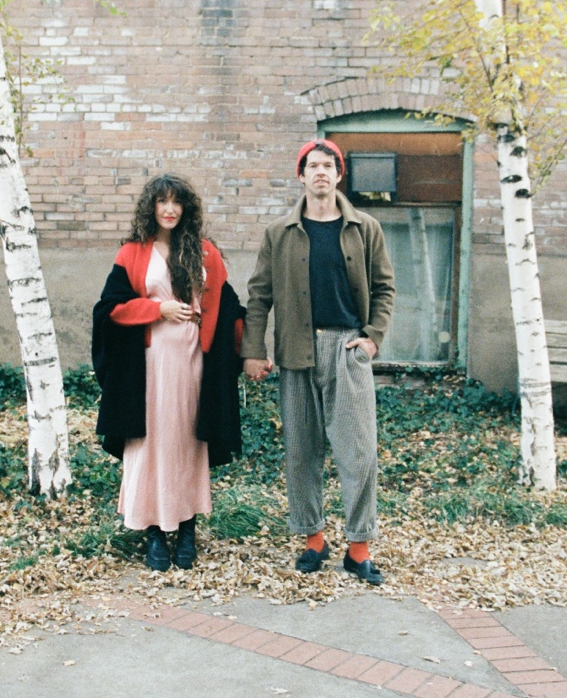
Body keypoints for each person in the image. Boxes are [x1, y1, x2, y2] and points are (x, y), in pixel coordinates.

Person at [242, 139, 395, 585]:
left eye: (329, 166)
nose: (321, 173)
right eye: (313, 166)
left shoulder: (365, 228)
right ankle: (313, 540)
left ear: (339, 174)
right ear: (301, 175)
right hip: (296, 352)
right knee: (302, 453)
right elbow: (259, 296)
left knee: (359, 452)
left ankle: (359, 547)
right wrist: (254, 350)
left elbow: (385, 289)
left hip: (348, 350)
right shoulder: (279, 233)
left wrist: (372, 339)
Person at [92, 173, 244, 572]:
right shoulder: (132, 253)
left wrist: (249, 353)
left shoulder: (207, 253)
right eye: (162, 202)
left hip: (194, 360)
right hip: (150, 364)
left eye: (177, 202)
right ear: (152, 207)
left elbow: (228, 308)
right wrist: (156, 309)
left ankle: (188, 529)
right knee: (153, 443)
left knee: (188, 444)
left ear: (186, 208)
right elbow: (109, 309)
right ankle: (155, 532)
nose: (170, 209)